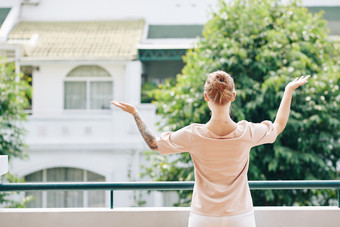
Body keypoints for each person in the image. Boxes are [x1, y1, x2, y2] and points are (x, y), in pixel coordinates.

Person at [111, 71, 310, 227]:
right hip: (240, 217)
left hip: (203, 217)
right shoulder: (247, 132)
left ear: (206, 96)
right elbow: (278, 126)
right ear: (233, 96)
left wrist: (135, 113)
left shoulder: (193, 135)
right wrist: (288, 90)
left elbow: (154, 143)